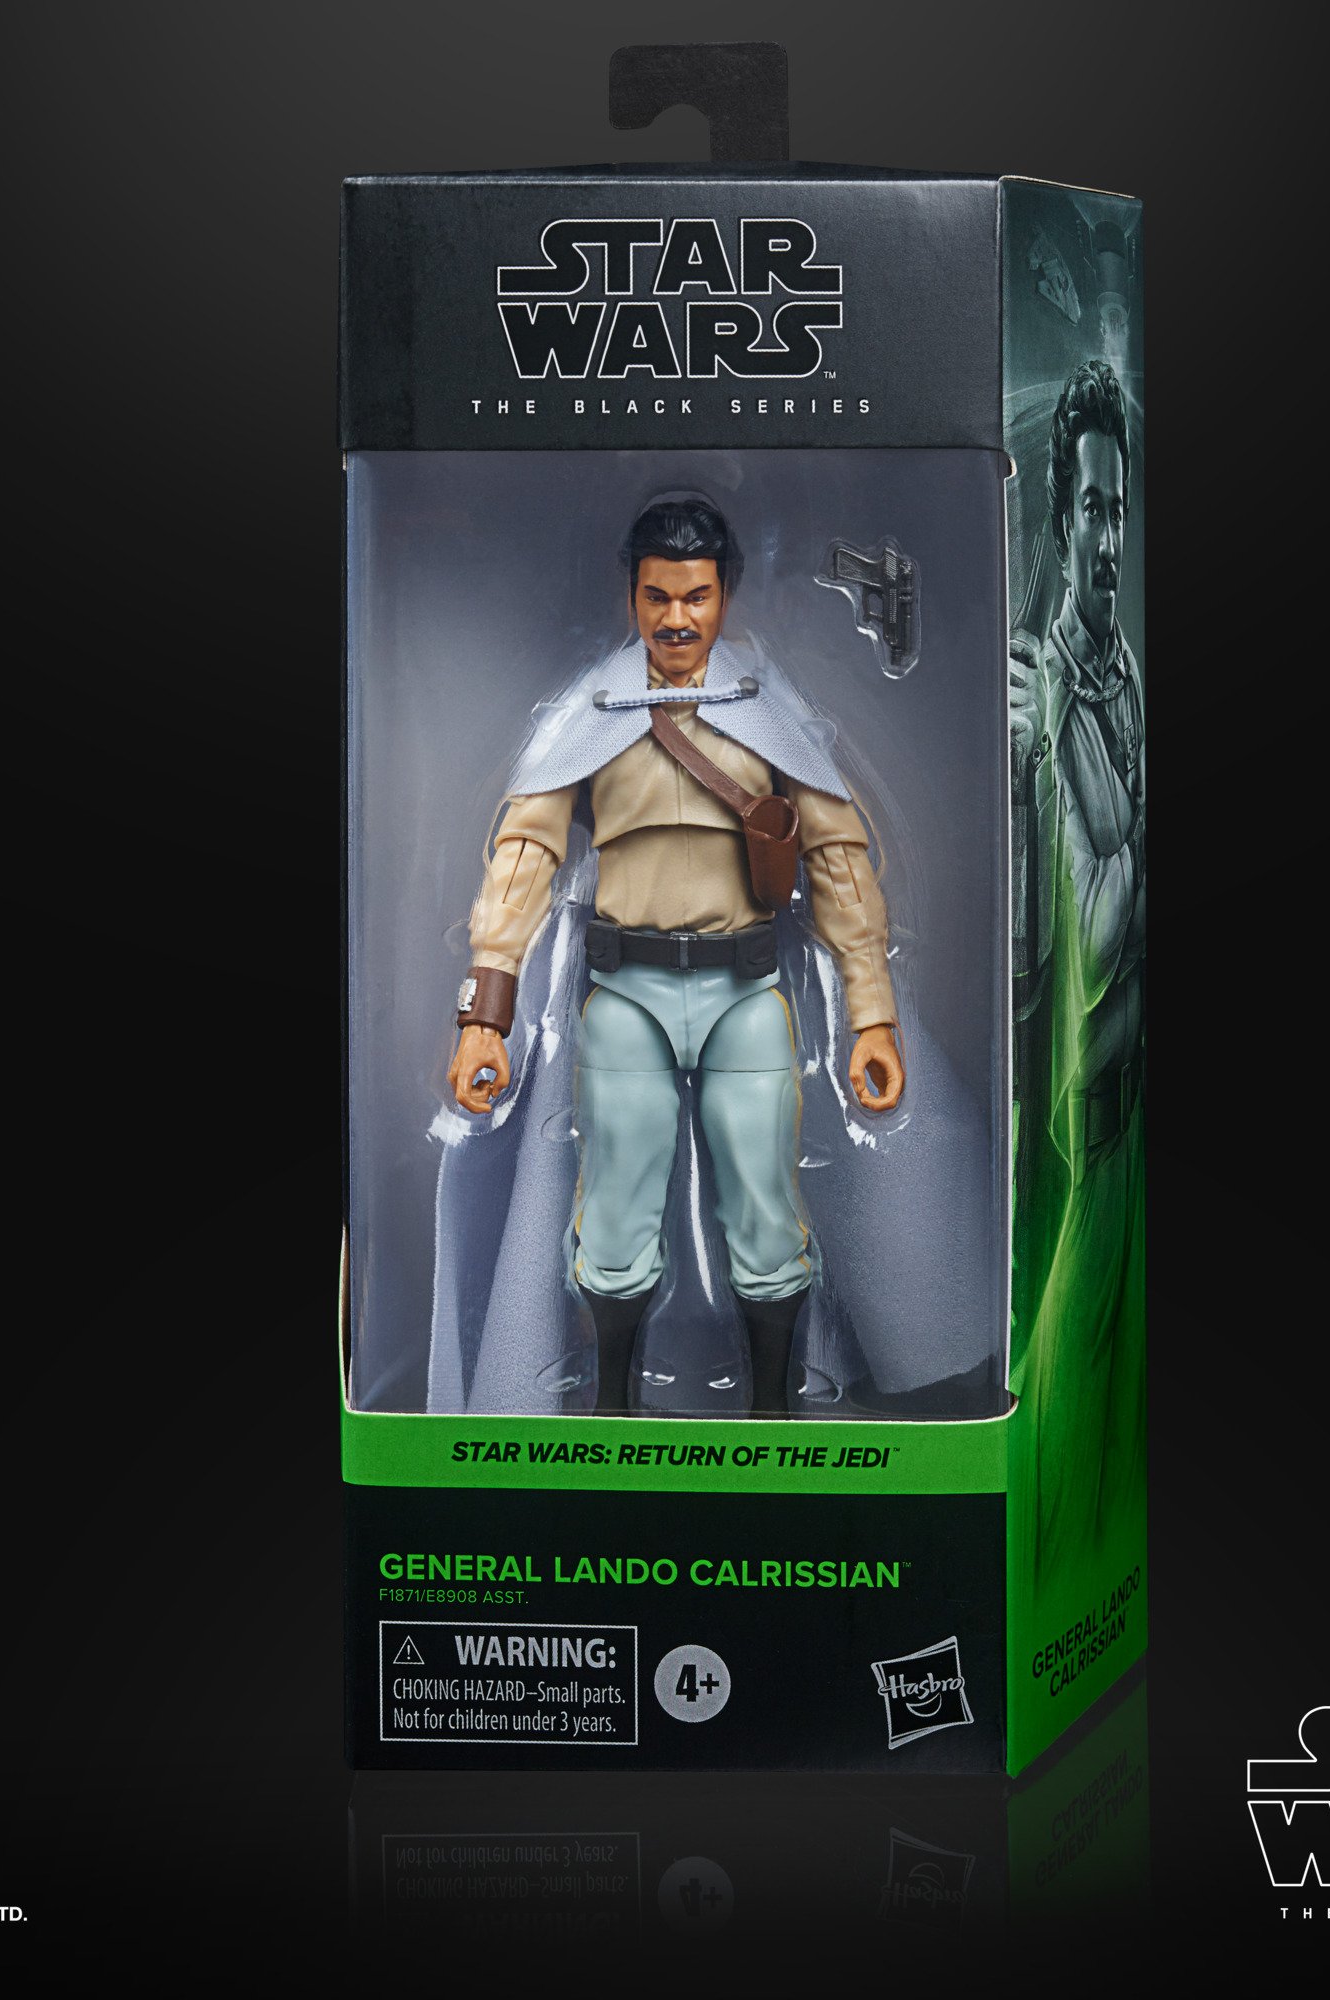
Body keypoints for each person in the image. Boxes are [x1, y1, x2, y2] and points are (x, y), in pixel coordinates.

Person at [447, 497, 904, 1415]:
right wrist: (485, 1017)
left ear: (724, 594)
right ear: (633, 595)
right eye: (657, 596)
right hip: (628, 995)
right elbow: (524, 857)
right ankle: (613, 1411)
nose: (676, 618)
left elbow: (838, 858)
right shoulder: (595, 711)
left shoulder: (767, 710)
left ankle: (772, 1414)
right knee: (615, 1213)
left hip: (745, 991)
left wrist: (871, 1016)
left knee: (767, 1214)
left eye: (695, 596)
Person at [1009, 359, 1145, 1551]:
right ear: (1058, 524)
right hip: (1063, 1116)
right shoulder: (1036, 688)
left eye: (1120, 511)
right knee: (1054, 1426)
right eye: (1091, 510)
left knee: (1107, 1438)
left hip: (1125, 1106)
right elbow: (1094, 930)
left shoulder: (1124, 678)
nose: (1108, 539)